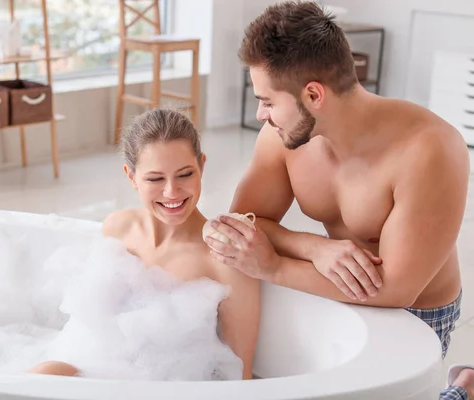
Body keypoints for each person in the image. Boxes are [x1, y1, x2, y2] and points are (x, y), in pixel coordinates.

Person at [204, 1, 473, 398]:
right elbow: (242, 224)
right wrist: (316, 248)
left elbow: (397, 289)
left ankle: (465, 387)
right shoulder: (283, 136)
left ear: (313, 94)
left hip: (414, 311)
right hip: (332, 285)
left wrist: (275, 266)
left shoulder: (430, 149)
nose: (261, 114)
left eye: (268, 100)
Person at [29, 108, 261, 380]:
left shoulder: (224, 258)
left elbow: (238, 374)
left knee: (46, 375)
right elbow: (84, 328)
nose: (172, 192)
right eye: (155, 178)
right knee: (45, 372)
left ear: (202, 166)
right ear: (131, 177)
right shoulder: (118, 229)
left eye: (185, 174)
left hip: (170, 388)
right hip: (102, 374)